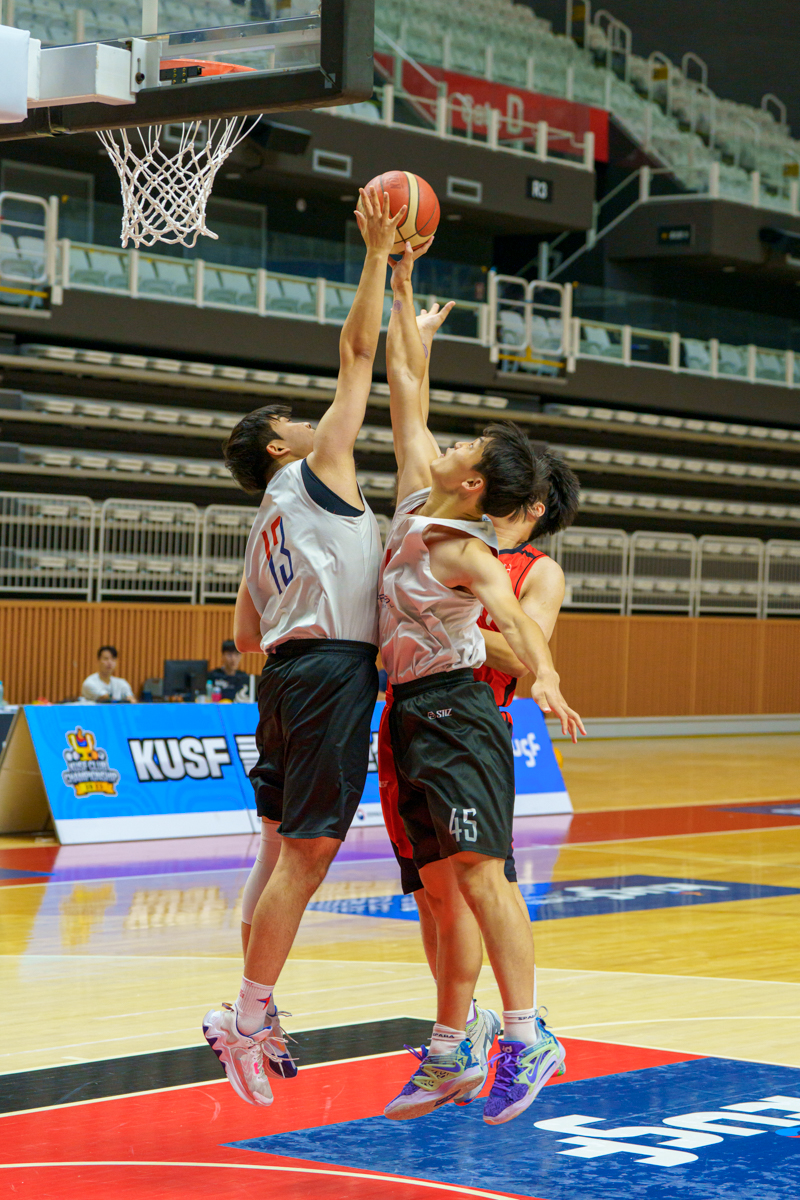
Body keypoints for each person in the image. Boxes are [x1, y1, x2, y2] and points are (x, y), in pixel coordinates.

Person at [202, 186, 408, 1109]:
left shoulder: (264, 522)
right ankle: (247, 1018)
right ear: (280, 444)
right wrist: (376, 257)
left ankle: (253, 1009)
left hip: (284, 677)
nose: (307, 417)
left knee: (275, 850)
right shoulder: (317, 467)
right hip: (327, 675)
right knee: (307, 855)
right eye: (292, 417)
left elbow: (245, 636)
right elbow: (357, 355)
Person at [378, 241, 585, 1127]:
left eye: (464, 447)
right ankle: (452, 1043)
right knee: (436, 890)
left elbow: (518, 622)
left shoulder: (477, 553)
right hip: (405, 716)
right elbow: (404, 390)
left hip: (463, 714)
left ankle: (527, 1033)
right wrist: (402, 289)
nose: (449, 442)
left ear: (474, 485)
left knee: (481, 876)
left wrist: (546, 676)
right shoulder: (415, 503)